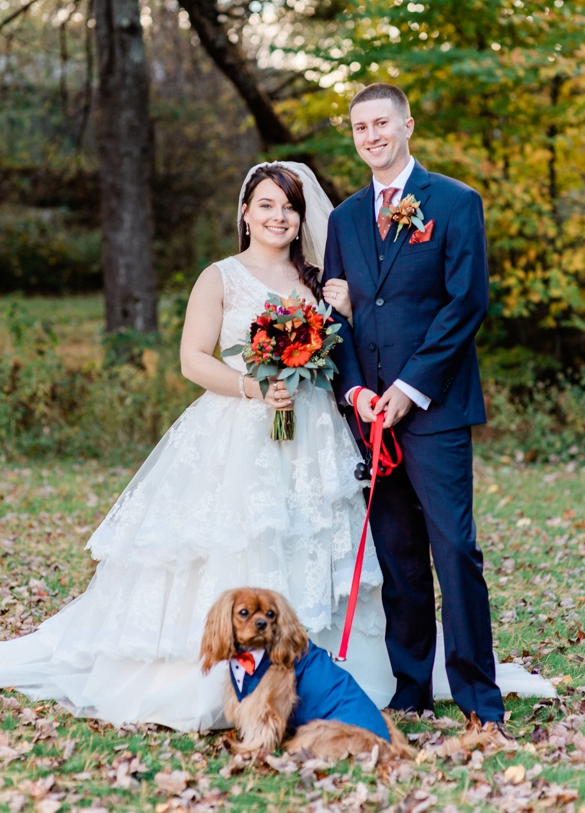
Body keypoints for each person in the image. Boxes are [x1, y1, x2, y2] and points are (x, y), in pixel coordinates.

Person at [0, 160, 554, 730]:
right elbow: (193, 360)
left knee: (329, 542)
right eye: (266, 205)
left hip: (316, 433)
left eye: (289, 207)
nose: (279, 216)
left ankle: (344, 670)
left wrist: (345, 314)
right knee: (245, 536)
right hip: (239, 431)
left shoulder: (321, 281)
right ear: (245, 213)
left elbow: (360, 344)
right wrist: (253, 387)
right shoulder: (219, 277)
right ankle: (232, 674)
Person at [322, 82, 521, 729]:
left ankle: (477, 697)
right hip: (368, 414)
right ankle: (411, 689)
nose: (371, 135)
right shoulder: (345, 219)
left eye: (381, 123)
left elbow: (466, 304)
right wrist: (355, 391)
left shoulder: (456, 203)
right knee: (397, 554)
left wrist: (407, 391)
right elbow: (339, 314)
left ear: (407, 124)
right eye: (360, 128)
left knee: (454, 550)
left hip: (432, 409)